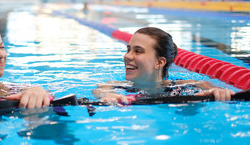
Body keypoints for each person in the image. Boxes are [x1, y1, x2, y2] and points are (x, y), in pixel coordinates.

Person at [94, 27, 235, 104]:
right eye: (128, 49)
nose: (127, 56)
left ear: (160, 62)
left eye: (138, 51)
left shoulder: (192, 85)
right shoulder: (114, 86)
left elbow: (220, 91)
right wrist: (107, 95)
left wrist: (217, 94)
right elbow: (100, 91)